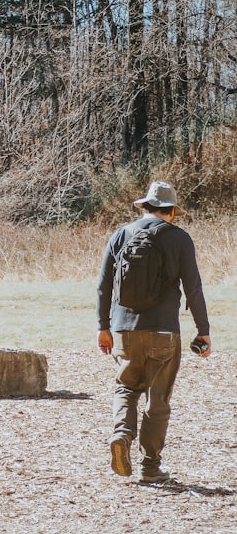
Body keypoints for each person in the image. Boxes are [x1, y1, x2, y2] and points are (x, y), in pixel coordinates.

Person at [96, 180, 211, 483]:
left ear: (145, 206)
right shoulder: (180, 239)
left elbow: (103, 286)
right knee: (157, 399)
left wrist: (103, 327)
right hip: (163, 331)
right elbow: (193, 289)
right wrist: (203, 331)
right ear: (172, 210)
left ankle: (122, 434)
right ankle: (150, 467)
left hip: (123, 330)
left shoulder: (120, 235)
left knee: (126, 387)